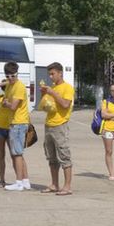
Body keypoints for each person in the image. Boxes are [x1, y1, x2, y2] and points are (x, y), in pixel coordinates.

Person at [0, 61, 32, 190]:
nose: (10, 79)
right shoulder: (4, 93)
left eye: (12, 76)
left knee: (17, 154)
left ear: (17, 74)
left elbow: (14, 106)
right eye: (7, 77)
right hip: (2, 127)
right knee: (8, 155)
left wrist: (6, 104)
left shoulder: (18, 87)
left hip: (15, 124)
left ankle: (20, 182)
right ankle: (12, 180)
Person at [35, 61, 76, 195]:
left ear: (60, 73)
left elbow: (65, 104)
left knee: (64, 155)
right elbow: (45, 105)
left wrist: (52, 93)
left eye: (53, 74)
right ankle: (54, 184)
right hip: (49, 124)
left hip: (60, 125)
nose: (51, 77)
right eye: (50, 74)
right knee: (51, 157)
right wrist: (44, 94)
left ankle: (67, 186)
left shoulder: (67, 88)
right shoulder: (52, 87)